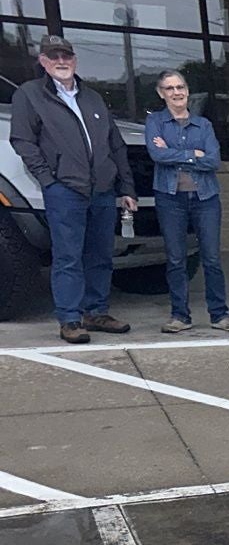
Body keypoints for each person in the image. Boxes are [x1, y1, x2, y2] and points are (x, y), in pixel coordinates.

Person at [7, 34, 136, 344]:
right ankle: (70, 319)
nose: (61, 61)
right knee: (68, 257)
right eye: (54, 56)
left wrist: (126, 187)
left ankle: (96, 312)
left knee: (101, 255)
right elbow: (23, 141)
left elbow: (115, 145)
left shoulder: (92, 97)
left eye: (66, 56)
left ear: (75, 60)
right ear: (43, 61)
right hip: (65, 190)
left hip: (102, 190)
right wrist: (48, 180)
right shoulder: (29, 94)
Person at [145, 69, 229, 333]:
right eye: (170, 88)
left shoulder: (204, 125)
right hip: (170, 198)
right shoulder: (155, 122)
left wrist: (174, 152)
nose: (176, 92)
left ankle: (219, 315)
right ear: (161, 93)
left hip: (205, 197)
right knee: (176, 259)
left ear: (187, 91)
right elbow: (157, 155)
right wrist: (193, 154)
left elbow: (213, 161)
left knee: (212, 258)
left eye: (180, 87)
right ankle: (180, 316)